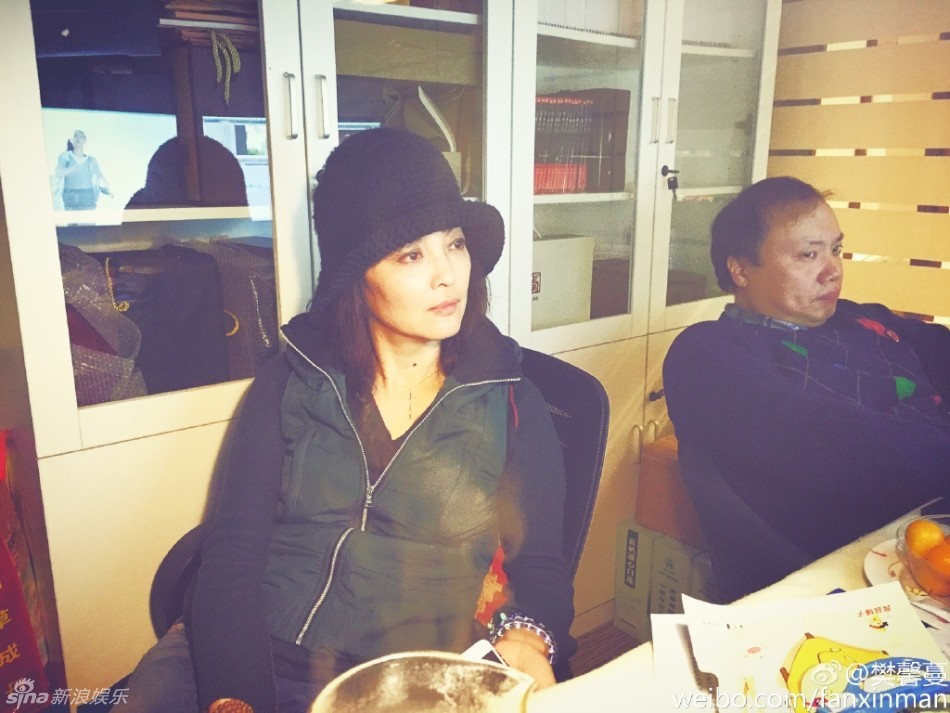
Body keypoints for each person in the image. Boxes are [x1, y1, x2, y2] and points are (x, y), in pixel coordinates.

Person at [117, 128, 573, 713]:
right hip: (249, 648)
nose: (448, 275)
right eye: (412, 255)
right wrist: (236, 696)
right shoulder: (290, 381)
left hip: (398, 680)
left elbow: (541, 565)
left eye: (455, 244)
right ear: (357, 274)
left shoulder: (509, 401)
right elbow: (230, 556)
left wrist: (529, 637)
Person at [663, 176, 950, 597]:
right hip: (856, 582)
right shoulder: (709, 355)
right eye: (808, 255)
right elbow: (844, 447)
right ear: (740, 269)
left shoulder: (864, 319)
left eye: (836, 249)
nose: (833, 271)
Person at [54, 129, 111, 209]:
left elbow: (100, 177)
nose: (78, 139)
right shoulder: (65, 156)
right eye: (75, 136)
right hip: (70, 197)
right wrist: (71, 169)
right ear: (71, 140)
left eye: (81, 137)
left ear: (85, 140)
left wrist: (108, 191)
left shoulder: (91, 160)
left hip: (88, 197)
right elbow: (57, 173)